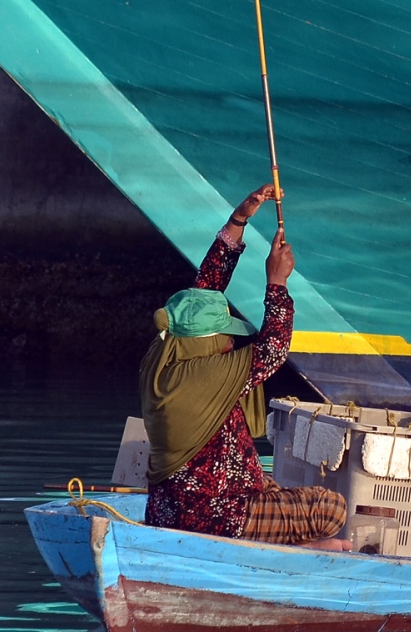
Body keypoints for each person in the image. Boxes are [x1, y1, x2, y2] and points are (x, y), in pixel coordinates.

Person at [141, 184, 348, 550]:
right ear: (205, 341)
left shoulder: (164, 356)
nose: (231, 342)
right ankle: (301, 550)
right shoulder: (207, 376)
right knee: (330, 510)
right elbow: (273, 349)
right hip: (219, 517)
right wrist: (277, 281)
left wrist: (239, 220)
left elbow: (205, 294)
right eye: (225, 335)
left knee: (271, 486)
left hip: (170, 510)